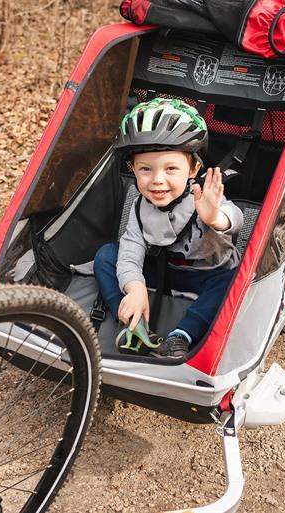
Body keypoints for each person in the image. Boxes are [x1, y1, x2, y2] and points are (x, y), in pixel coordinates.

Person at [94, 98, 244, 359]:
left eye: (171, 168)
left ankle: (180, 336)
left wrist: (214, 218)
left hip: (207, 275)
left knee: (236, 279)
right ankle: (133, 321)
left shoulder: (201, 199)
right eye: (145, 169)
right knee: (107, 255)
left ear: (193, 168)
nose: (157, 180)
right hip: (161, 270)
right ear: (133, 169)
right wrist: (134, 287)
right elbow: (131, 249)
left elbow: (235, 218)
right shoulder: (141, 206)